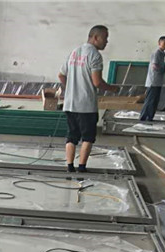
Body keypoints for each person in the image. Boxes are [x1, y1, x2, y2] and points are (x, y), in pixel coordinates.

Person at [58, 25, 119, 173]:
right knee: (88, 137)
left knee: (72, 136)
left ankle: (69, 166)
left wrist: (70, 88)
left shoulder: (74, 52)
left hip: (70, 104)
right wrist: (112, 88)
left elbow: (61, 75)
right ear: (96, 37)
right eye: (105, 38)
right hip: (86, 106)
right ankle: (82, 167)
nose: (107, 41)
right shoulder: (94, 55)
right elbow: (97, 82)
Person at [140, 36, 165, 121]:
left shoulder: (162, 54)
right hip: (153, 81)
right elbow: (155, 66)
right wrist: (164, 68)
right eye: (164, 43)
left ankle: (150, 117)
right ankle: (144, 118)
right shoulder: (157, 53)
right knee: (150, 100)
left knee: (154, 101)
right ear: (159, 43)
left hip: (158, 82)